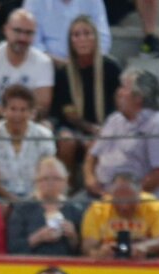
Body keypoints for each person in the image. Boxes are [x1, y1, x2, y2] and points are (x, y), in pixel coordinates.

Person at [84, 66, 159, 199]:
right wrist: (89, 178)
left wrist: (123, 195)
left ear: (138, 97)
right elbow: (92, 155)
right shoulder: (114, 120)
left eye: (124, 88)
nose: (118, 92)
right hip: (99, 193)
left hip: (135, 200)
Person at [51, 15, 120, 179]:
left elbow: (118, 106)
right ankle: (68, 185)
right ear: (70, 41)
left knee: (94, 144)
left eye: (87, 33)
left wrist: (103, 129)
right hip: (72, 126)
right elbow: (67, 113)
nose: (82, 39)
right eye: (76, 35)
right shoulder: (63, 73)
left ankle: (94, 185)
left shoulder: (111, 68)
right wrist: (90, 128)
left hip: (106, 125)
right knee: (67, 141)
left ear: (96, 38)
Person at [0, 9, 53, 122]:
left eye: (29, 33)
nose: (22, 38)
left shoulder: (43, 62)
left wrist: (21, 117)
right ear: (6, 30)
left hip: (30, 121)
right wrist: (12, 116)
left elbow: (42, 105)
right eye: (17, 31)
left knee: (46, 127)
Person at [0, 83, 55, 202]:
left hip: (36, 198)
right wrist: (15, 201)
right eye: (13, 109)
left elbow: (45, 176)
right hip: (1, 198)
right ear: (3, 110)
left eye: (23, 110)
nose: (17, 115)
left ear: (31, 112)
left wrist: (28, 203)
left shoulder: (44, 136)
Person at [80, 171, 159, 259]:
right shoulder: (97, 209)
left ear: (139, 194)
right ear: (111, 195)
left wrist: (145, 247)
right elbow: (88, 245)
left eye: (130, 200)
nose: (125, 207)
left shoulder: (155, 206)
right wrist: (98, 253)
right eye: (119, 200)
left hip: (146, 260)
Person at [6, 155, 81, 256]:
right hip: (31, 263)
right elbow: (13, 248)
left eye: (57, 178)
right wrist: (38, 238)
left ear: (66, 181)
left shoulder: (75, 209)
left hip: (66, 263)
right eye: (45, 178)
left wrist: (73, 237)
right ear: (36, 181)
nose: (51, 183)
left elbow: (84, 252)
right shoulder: (22, 209)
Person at [22, 0, 109, 62]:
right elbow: (33, 44)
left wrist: (88, 62)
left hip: (87, 64)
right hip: (49, 66)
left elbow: (103, 39)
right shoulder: (34, 2)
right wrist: (62, 65)